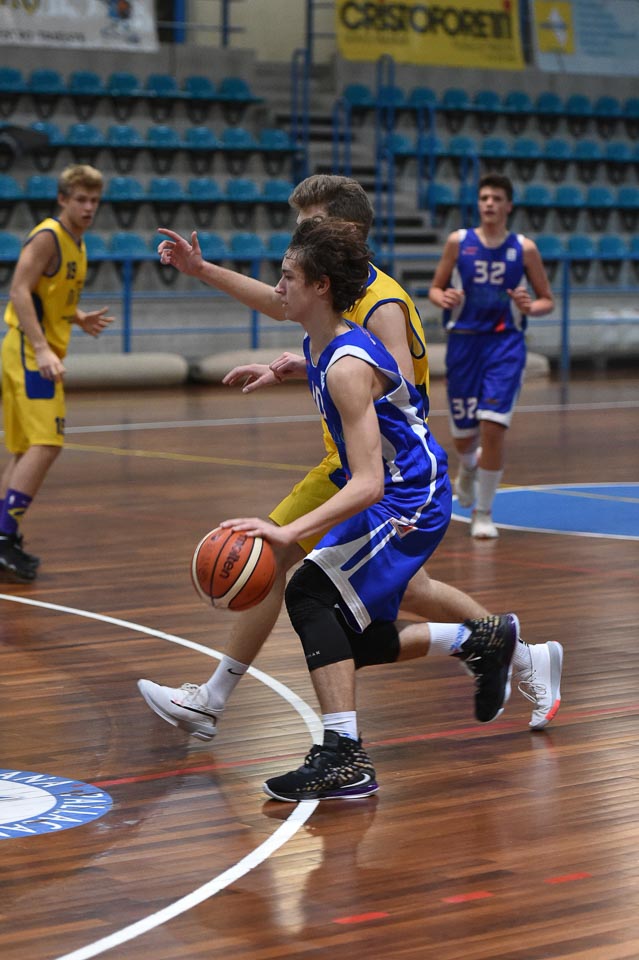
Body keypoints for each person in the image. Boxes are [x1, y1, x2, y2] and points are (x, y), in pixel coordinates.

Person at [137, 175, 562, 737]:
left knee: (279, 557)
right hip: (349, 463)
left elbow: (393, 388)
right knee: (409, 588)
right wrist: (203, 272)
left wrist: (323, 369)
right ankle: (524, 656)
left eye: (309, 224)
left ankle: (219, 701)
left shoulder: (381, 301)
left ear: (346, 230)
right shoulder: (328, 289)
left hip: (381, 473)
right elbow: (280, 304)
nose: (298, 235)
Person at [215, 218, 519, 801]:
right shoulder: (322, 345)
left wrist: (287, 533)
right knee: (344, 636)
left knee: (308, 593)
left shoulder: (345, 365)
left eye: (288, 277)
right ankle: (477, 640)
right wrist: (292, 369)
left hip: (411, 495)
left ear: (321, 286)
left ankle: (344, 755)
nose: (278, 287)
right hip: (400, 487)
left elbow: (369, 485)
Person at [0, 164, 114, 581]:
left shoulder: (76, 242)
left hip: (28, 351)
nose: (88, 207)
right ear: (63, 199)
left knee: (25, 449)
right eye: (80, 199)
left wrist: (78, 317)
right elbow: (18, 290)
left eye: (94, 200)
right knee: (47, 443)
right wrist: (42, 348)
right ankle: (3, 538)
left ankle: (4, 534)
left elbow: (48, 294)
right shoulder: (49, 235)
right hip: (29, 352)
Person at [428, 172, 555, 540]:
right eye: (484, 197)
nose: (489, 203)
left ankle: (483, 512)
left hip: (505, 344)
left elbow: (547, 300)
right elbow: (435, 288)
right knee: (464, 437)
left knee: (494, 427)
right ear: (478, 203)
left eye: (497, 198)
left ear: (508, 206)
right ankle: (468, 465)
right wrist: (443, 297)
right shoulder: (459, 242)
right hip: (464, 343)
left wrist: (531, 307)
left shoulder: (524, 248)